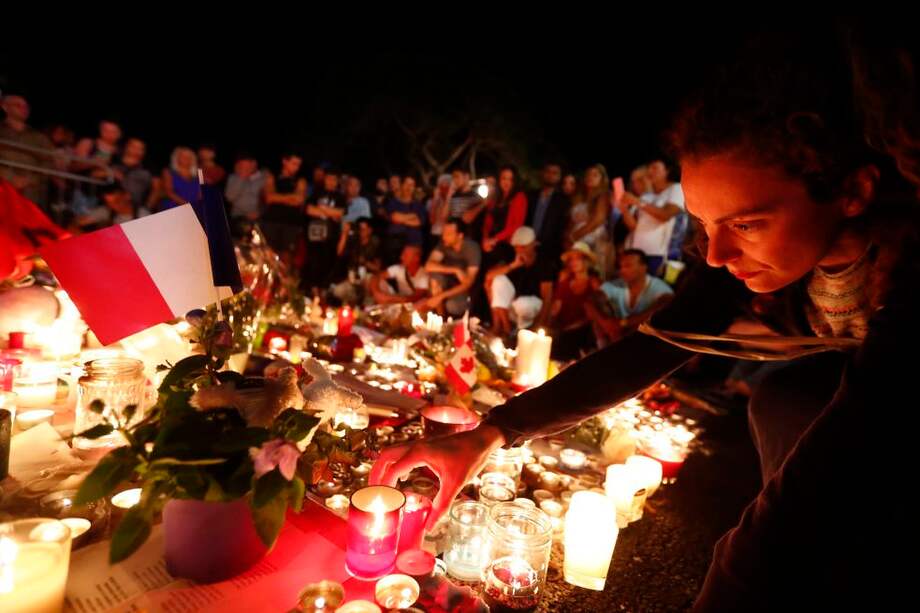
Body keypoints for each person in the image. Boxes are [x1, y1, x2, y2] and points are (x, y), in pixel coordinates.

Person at [371, 28, 920, 610]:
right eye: (705, 225)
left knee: (792, 429)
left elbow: (852, 443)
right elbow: (648, 349)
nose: (715, 255)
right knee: (785, 401)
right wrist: (489, 434)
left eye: (748, 224)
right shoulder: (749, 271)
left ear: (854, 190)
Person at [587, 249, 674, 344]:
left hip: (648, 340)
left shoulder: (658, 287)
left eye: (628, 266)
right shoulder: (617, 284)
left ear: (643, 267)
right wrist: (606, 323)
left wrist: (623, 323)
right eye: (621, 266)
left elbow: (665, 304)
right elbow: (589, 302)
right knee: (598, 312)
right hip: (618, 337)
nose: (622, 270)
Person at [619, 159, 686, 276]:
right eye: (649, 168)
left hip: (660, 254)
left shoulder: (676, 189)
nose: (650, 171)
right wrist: (624, 209)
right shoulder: (647, 196)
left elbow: (665, 215)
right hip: (638, 254)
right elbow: (634, 226)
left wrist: (637, 202)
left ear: (667, 171)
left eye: (655, 168)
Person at [484, 226, 555, 337]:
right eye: (517, 247)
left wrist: (540, 325)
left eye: (523, 247)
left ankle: (521, 334)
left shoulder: (544, 262)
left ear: (533, 244)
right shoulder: (513, 256)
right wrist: (513, 265)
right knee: (497, 280)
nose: (520, 250)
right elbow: (489, 276)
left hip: (533, 306)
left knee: (523, 304)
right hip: (514, 306)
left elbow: (547, 298)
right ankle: (505, 329)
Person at [549, 241, 602, 358]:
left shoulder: (594, 283)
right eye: (571, 260)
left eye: (577, 259)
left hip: (583, 330)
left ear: (586, 261)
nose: (573, 263)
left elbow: (595, 314)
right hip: (563, 328)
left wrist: (568, 329)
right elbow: (555, 308)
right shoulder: (565, 281)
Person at [0, 93, 54, 209]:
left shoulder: (39, 137)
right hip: (3, 187)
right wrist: (10, 178)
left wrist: (29, 180)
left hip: (31, 193)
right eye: (18, 105)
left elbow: (49, 162)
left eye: (26, 106)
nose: (23, 109)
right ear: (5, 107)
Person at [421, 217, 481, 316]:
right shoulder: (443, 244)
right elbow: (428, 265)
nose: (444, 236)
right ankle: (441, 319)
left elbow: (468, 282)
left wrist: (440, 297)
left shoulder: (472, 249)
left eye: (448, 234)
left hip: (463, 290)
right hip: (447, 283)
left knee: (453, 306)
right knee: (435, 277)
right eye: (443, 233)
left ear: (460, 236)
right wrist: (455, 270)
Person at [567, 164, 614, 279]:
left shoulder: (604, 195)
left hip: (594, 239)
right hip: (575, 241)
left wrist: (576, 235)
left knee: (592, 274)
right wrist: (568, 236)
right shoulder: (578, 197)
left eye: (595, 175)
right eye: (588, 174)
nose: (590, 177)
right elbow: (571, 219)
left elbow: (599, 218)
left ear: (602, 179)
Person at [303, 169, 346, 293]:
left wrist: (321, 209)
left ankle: (324, 291)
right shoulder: (316, 193)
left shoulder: (340, 197)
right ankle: (313, 291)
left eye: (334, 179)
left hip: (331, 236)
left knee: (328, 263)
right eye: (329, 178)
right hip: (314, 234)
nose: (331, 182)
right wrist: (330, 212)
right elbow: (309, 210)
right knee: (313, 263)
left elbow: (340, 213)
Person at [261, 152, 307, 261]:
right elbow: (269, 197)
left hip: (291, 223)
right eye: (294, 163)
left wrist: (278, 197)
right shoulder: (272, 176)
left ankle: (285, 278)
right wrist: (291, 197)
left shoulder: (300, 180)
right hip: (271, 221)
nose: (296, 167)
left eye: (298, 165)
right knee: (268, 253)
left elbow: (299, 200)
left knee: (287, 256)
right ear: (285, 161)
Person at [526, 162, 571, 267]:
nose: (551, 175)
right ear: (542, 173)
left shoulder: (563, 201)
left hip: (549, 252)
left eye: (555, 173)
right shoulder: (531, 196)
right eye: (548, 171)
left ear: (559, 177)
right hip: (526, 246)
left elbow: (561, 228)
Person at [482, 165, 528, 265]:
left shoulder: (519, 197)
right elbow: (487, 221)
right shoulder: (495, 197)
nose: (506, 182)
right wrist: (485, 238)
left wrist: (494, 240)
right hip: (490, 240)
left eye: (510, 179)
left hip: (506, 243)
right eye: (504, 178)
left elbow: (516, 225)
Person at [384, 176, 426, 263]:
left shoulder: (419, 205)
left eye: (412, 185)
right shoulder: (393, 202)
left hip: (413, 243)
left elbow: (418, 222)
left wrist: (401, 219)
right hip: (395, 243)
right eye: (407, 184)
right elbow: (394, 217)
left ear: (414, 188)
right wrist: (412, 216)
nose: (409, 187)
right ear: (402, 185)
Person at [113, 138, 156, 216]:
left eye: (140, 149)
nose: (136, 150)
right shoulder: (114, 161)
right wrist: (111, 173)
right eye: (133, 147)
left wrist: (148, 206)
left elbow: (156, 189)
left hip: (138, 209)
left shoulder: (147, 168)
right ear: (126, 147)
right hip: (111, 205)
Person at [225, 153, 265, 221]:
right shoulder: (234, 178)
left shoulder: (264, 177)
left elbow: (267, 200)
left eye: (245, 165)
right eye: (240, 166)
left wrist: (260, 212)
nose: (242, 168)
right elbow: (229, 197)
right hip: (239, 217)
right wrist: (242, 177)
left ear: (254, 163)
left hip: (260, 217)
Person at [157, 146, 199, 211]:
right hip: (174, 208)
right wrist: (186, 205)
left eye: (189, 157)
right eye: (183, 156)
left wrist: (196, 207)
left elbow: (200, 194)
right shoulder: (168, 172)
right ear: (176, 158)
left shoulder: (197, 175)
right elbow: (169, 192)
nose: (186, 158)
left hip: (194, 209)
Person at [427, 174, 454, 243]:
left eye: (446, 187)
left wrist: (448, 198)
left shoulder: (454, 200)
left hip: (449, 235)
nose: (444, 190)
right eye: (442, 187)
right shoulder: (431, 201)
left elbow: (444, 217)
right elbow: (431, 220)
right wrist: (435, 200)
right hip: (435, 235)